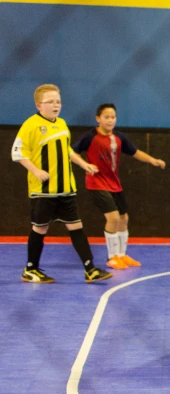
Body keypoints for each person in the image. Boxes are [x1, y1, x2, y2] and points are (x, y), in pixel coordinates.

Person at [11, 84, 112, 284]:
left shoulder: (62, 124)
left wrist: (84, 164)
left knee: (76, 227)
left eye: (58, 101)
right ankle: (30, 269)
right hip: (44, 192)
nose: (56, 105)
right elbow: (17, 153)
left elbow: (67, 151)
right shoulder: (31, 125)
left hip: (66, 189)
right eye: (51, 102)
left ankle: (90, 268)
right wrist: (36, 170)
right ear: (39, 105)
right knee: (40, 229)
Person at [73, 103, 166, 270]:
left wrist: (153, 160)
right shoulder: (89, 137)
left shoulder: (119, 138)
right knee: (113, 218)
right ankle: (112, 257)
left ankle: (122, 255)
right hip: (96, 184)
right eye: (106, 117)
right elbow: (71, 151)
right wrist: (84, 165)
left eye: (113, 117)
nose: (110, 120)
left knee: (124, 219)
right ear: (98, 119)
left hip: (114, 184)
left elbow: (135, 152)